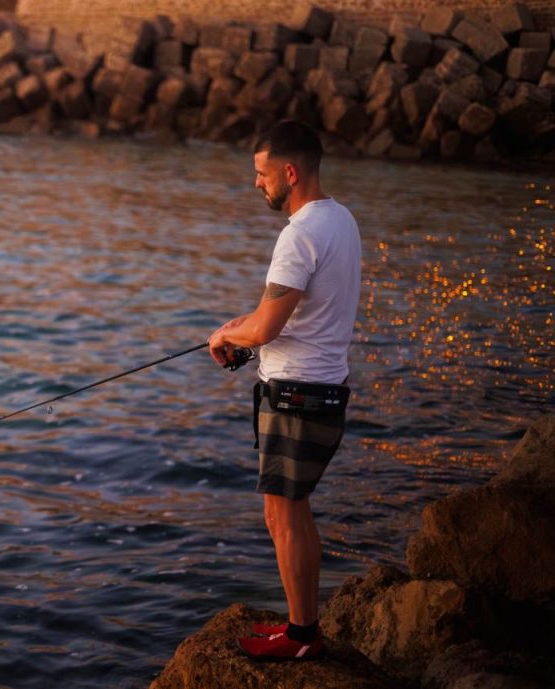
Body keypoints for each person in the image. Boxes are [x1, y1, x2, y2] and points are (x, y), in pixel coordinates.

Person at [207, 120, 361, 660]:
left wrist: (227, 335)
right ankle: (303, 629)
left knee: (286, 516)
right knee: (289, 512)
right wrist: (246, 327)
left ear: (289, 173)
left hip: (297, 394)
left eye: (262, 173)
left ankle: (301, 637)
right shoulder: (340, 220)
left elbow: (268, 329)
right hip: (318, 386)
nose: (256, 183)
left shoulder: (298, 234)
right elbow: (296, 312)